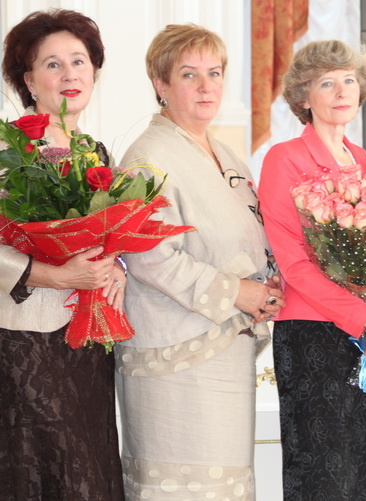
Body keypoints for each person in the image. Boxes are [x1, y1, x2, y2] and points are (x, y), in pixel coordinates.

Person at [115, 24, 283, 500]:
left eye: (215, 73)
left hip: (226, 348)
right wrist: (237, 292)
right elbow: (147, 255)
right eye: (190, 74)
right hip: (176, 356)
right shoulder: (147, 157)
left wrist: (270, 283)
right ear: (161, 84)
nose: (207, 86)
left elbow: (252, 237)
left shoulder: (226, 155)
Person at [258, 39, 366, 500]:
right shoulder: (284, 158)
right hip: (312, 336)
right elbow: (293, 264)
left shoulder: (362, 160)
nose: (342, 91)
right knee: (327, 475)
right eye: (327, 83)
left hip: (365, 335)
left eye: (349, 80)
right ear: (304, 96)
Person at [0, 9, 125, 500]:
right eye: (52, 64)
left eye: (79, 61)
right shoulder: (8, 151)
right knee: (45, 472)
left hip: (88, 338)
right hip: (25, 340)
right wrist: (56, 276)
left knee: (90, 467)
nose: (69, 73)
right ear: (29, 80)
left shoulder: (97, 153)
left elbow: (111, 237)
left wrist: (117, 267)